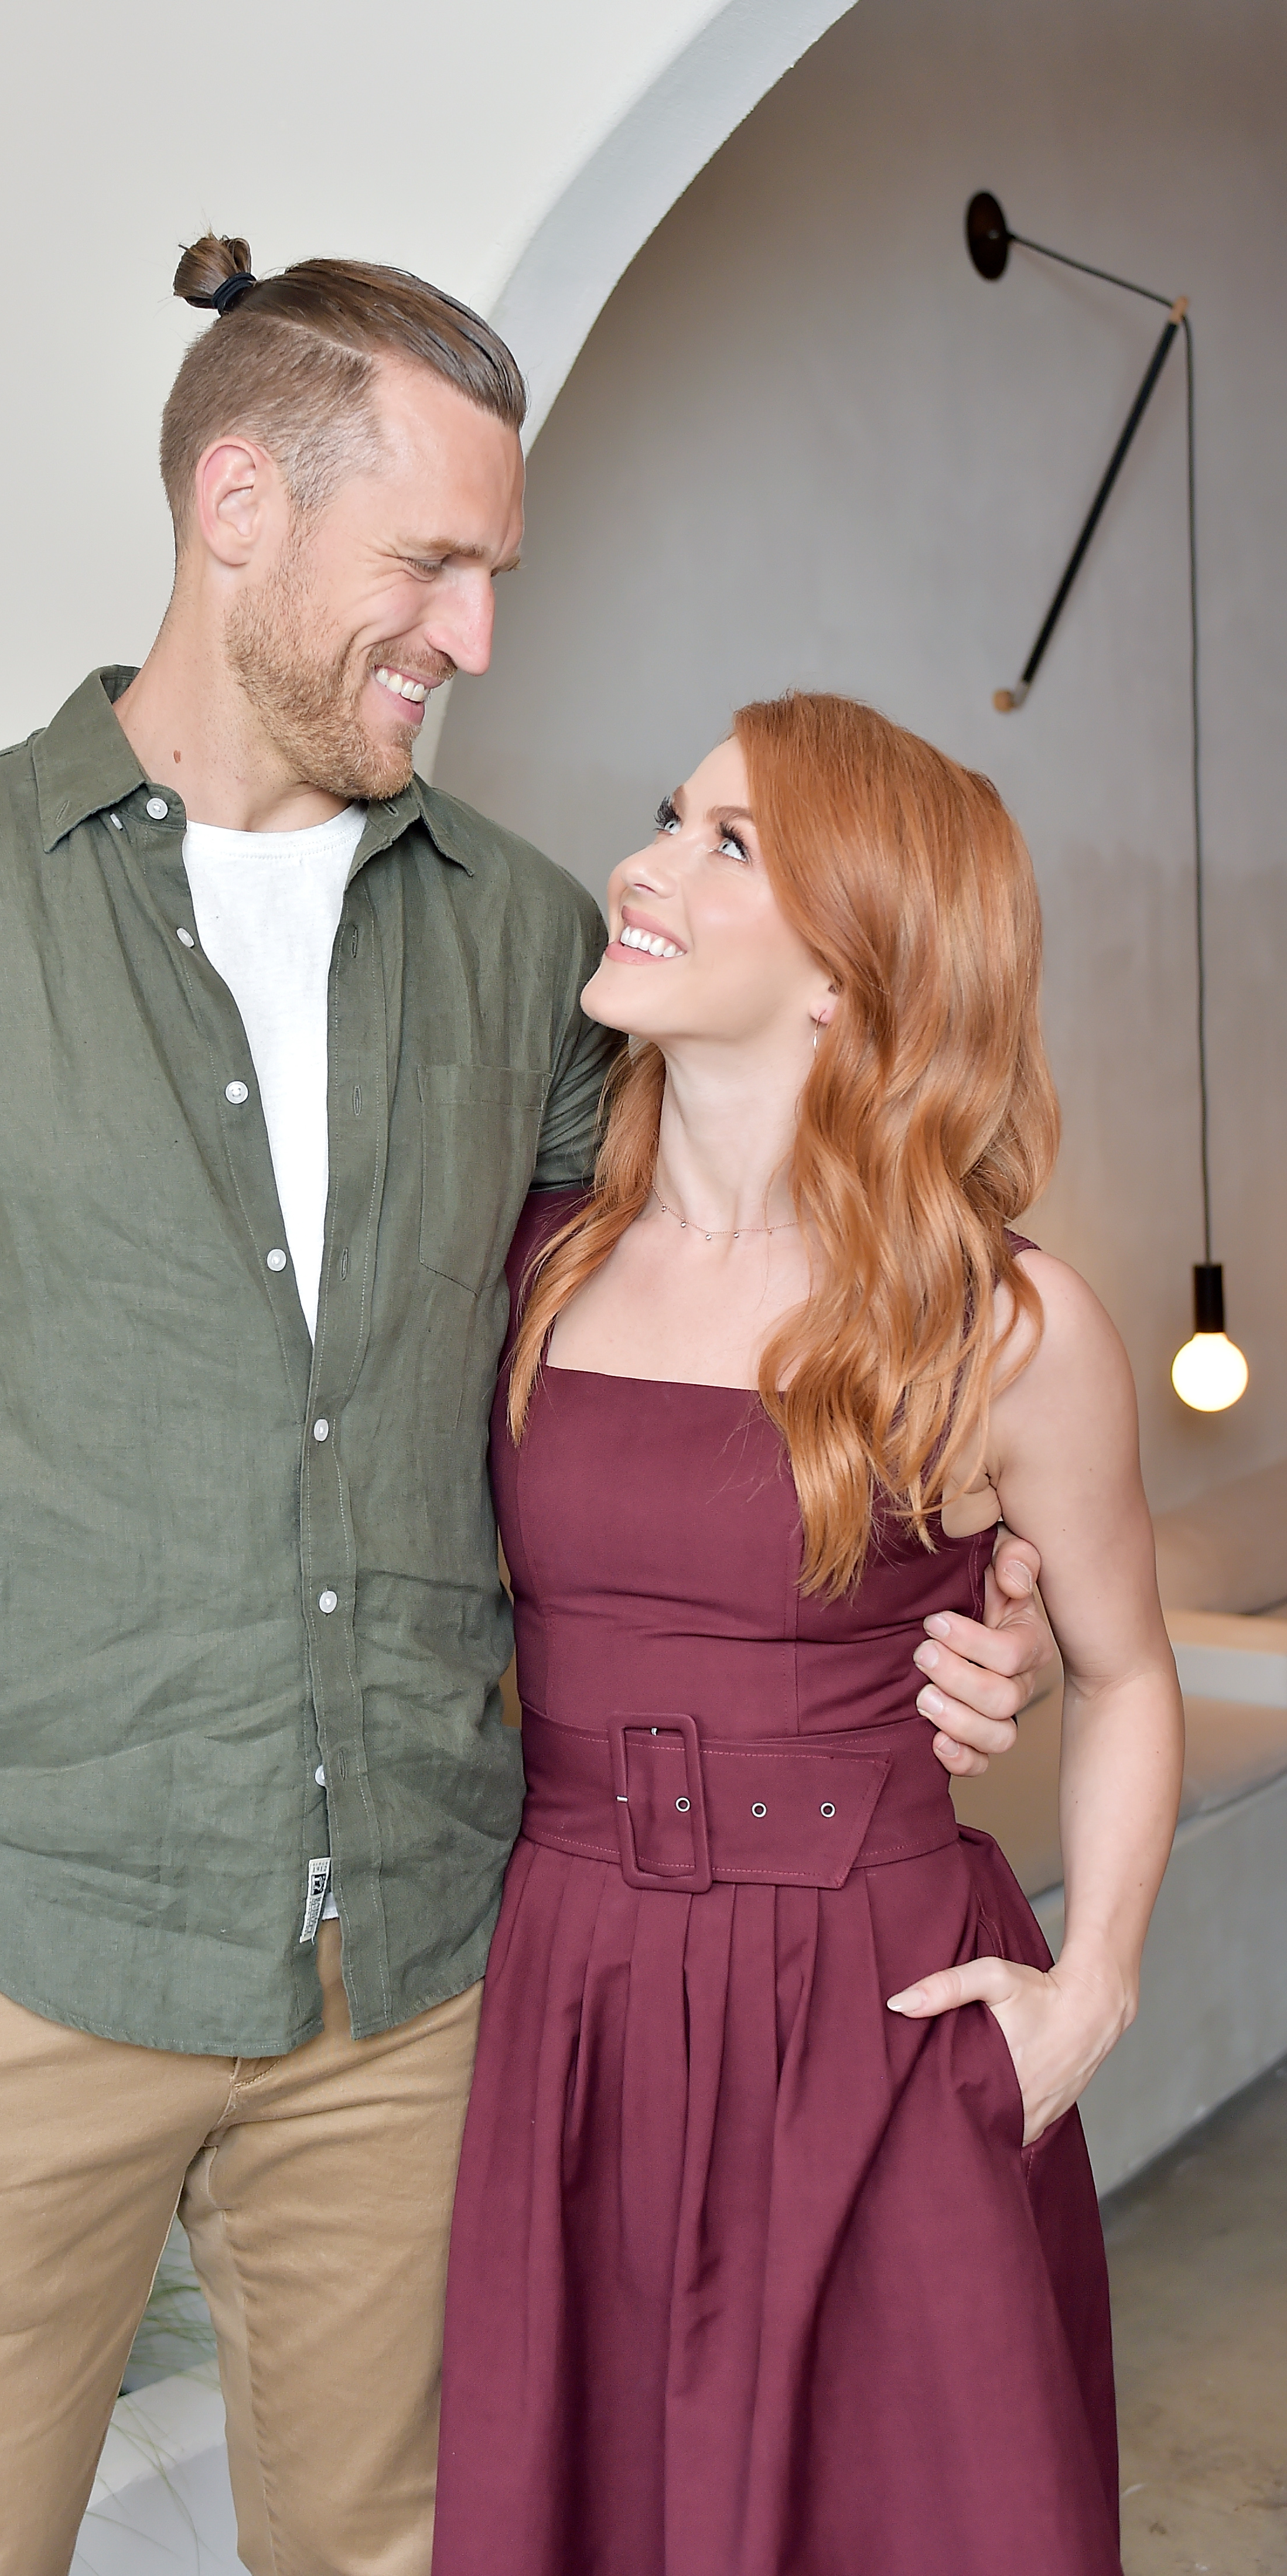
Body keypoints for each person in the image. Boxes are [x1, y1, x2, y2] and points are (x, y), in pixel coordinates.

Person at [0, 237, 1049, 2576]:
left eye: (498, 572)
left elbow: (707, 1310)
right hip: (8, 1949)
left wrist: (965, 1562)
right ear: (238, 503)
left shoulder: (527, 943)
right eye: (432, 562)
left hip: (412, 1984)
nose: (477, 634)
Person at [428, 697, 1183, 2576]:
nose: (647, 868)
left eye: (728, 847)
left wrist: (1092, 1990)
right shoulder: (535, 1265)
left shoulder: (999, 1327)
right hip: (576, 1999)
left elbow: (1130, 1671)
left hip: (882, 2014)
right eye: (669, 819)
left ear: (850, 973)